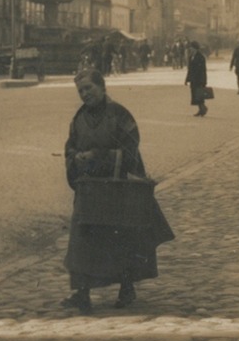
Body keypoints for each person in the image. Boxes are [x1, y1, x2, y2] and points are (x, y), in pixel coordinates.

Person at [61, 69, 176, 314]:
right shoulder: (78, 119)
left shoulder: (120, 115)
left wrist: (98, 157)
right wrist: (76, 158)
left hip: (117, 188)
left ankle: (126, 288)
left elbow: (131, 150)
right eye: (80, 91)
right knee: (83, 240)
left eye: (88, 88)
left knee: (120, 239)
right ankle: (82, 293)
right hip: (89, 189)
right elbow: (70, 147)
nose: (84, 94)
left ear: (102, 87)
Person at [185, 42, 209, 117]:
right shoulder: (191, 56)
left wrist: (203, 80)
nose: (190, 49)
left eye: (191, 47)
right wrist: (187, 79)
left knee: (199, 94)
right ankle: (201, 109)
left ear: (195, 48)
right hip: (193, 79)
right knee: (195, 94)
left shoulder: (200, 57)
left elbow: (203, 70)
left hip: (199, 79)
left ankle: (203, 108)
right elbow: (190, 69)